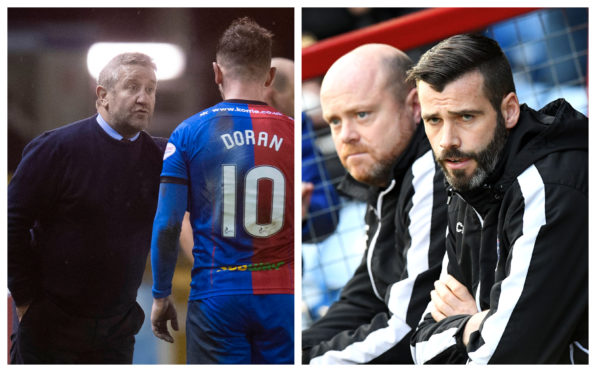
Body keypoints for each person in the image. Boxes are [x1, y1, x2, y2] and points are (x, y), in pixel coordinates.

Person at [407, 34, 588, 364]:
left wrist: (469, 327)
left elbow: (503, 357)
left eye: (466, 117)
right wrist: (478, 323)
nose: (448, 141)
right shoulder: (469, 175)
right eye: (434, 120)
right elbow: (421, 345)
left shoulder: (549, 188)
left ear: (509, 111)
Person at [149, 17, 294, 364]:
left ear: (216, 72)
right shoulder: (293, 134)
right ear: (269, 76)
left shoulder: (188, 133)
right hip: (283, 296)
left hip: (217, 296)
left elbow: (168, 223)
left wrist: (160, 294)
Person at [8, 52, 166, 363]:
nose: (143, 98)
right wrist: (26, 301)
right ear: (103, 95)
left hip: (117, 335)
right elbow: (11, 223)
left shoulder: (160, 158)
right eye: (132, 87)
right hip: (50, 329)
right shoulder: (55, 148)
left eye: (150, 89)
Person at [302, 43, 448, 364]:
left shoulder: (434, 170)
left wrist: (308, 362)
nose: (346, 135)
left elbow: (410, 328)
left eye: (362, 114)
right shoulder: (387, 174)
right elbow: (365, 295)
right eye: (335, 122)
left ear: (414, 107)